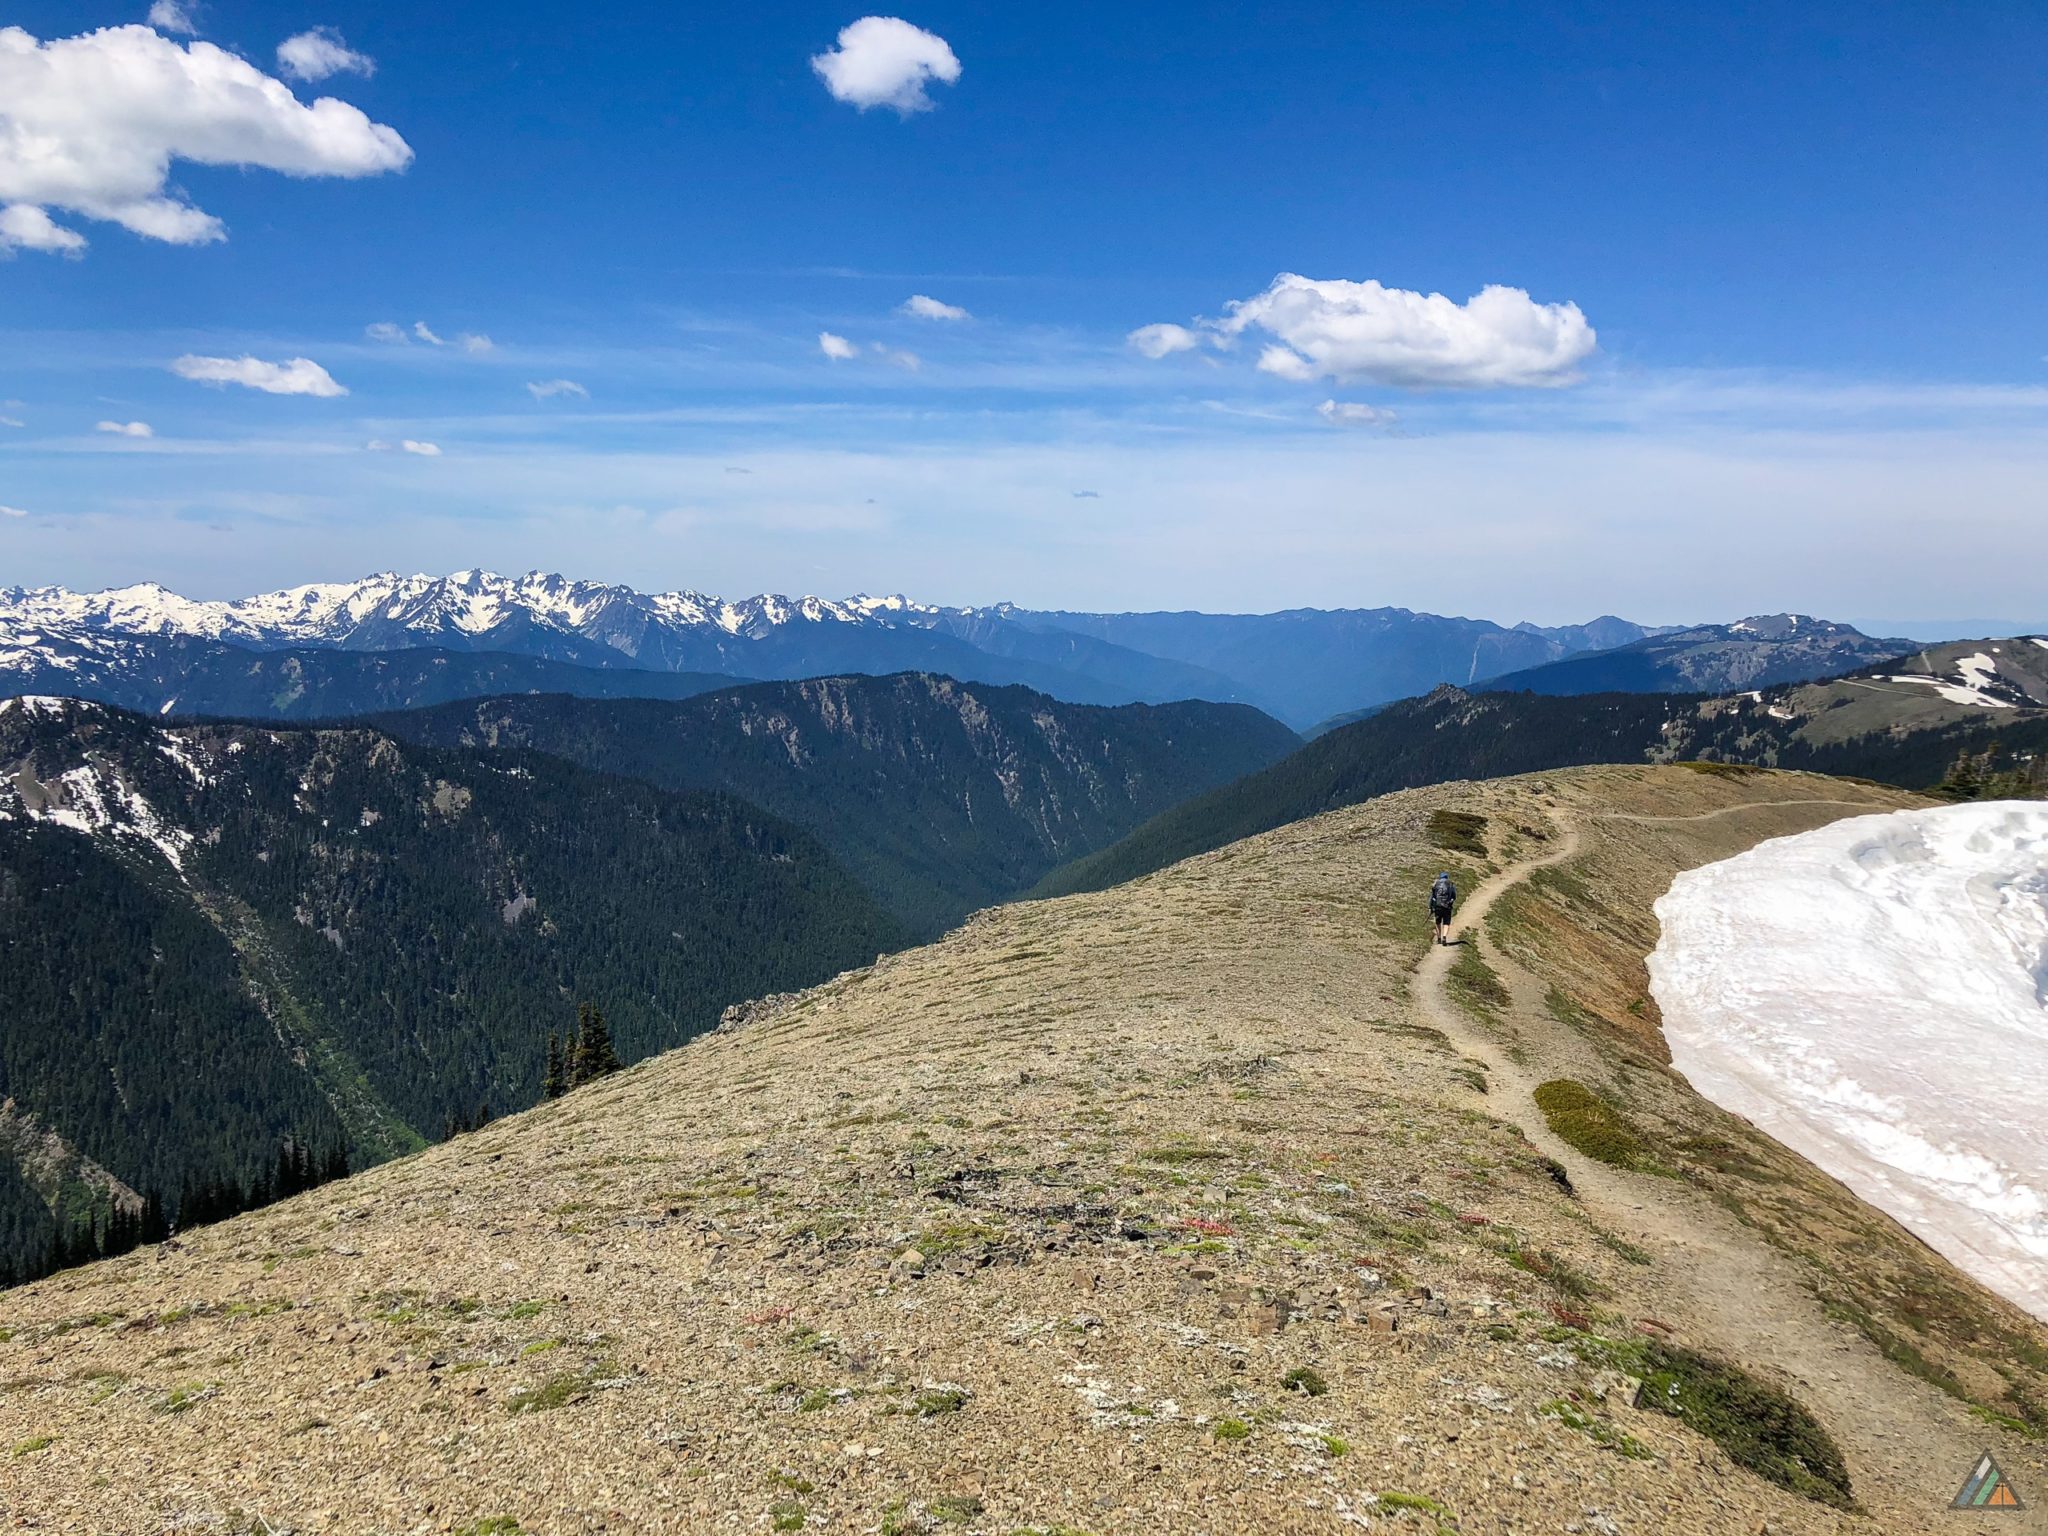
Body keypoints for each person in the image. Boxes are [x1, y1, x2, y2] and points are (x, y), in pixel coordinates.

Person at [1429, 871, 1457, 946]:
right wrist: (1450, 902)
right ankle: (1444, 937)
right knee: (1446, 923)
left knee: (1438, 922)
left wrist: (1431, 907)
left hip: (1438, 907)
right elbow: (1454, 897)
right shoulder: (1451, 884)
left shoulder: (1436, 884)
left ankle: (1439, 938)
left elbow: (1432, 897)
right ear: (1447, 877)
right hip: (1447, 907)